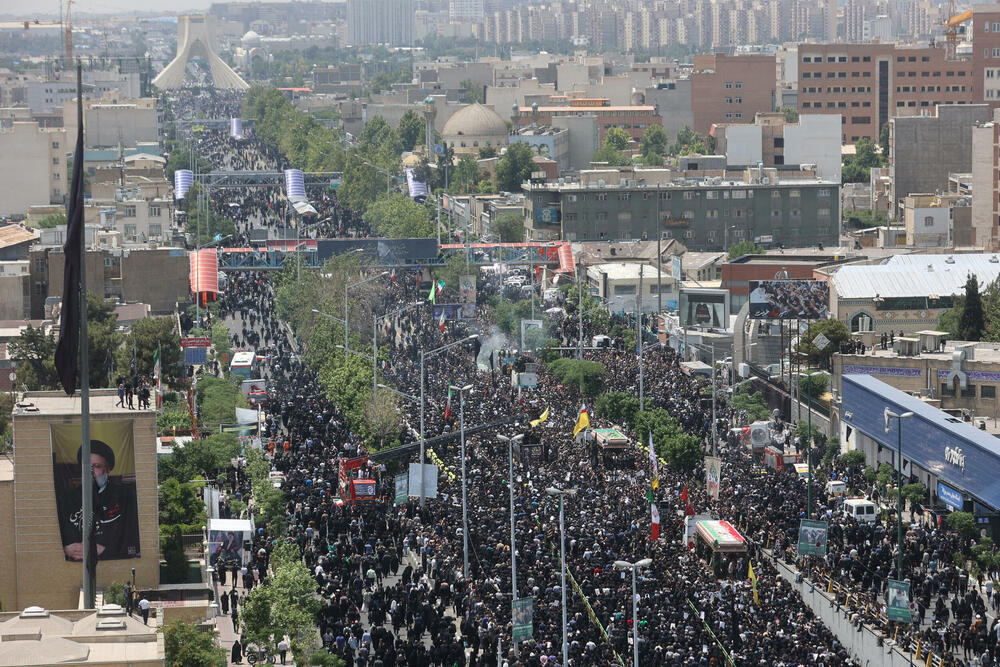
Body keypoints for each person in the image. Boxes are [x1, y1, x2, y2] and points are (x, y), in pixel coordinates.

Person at [58, 439, 141, 561]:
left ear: (108, 469)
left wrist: (106, 550)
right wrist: (65, 549)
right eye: (86, 466)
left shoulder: (125, 496)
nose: (91, 472)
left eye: (96, 466)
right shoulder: (67, 499)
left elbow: (134, 539)